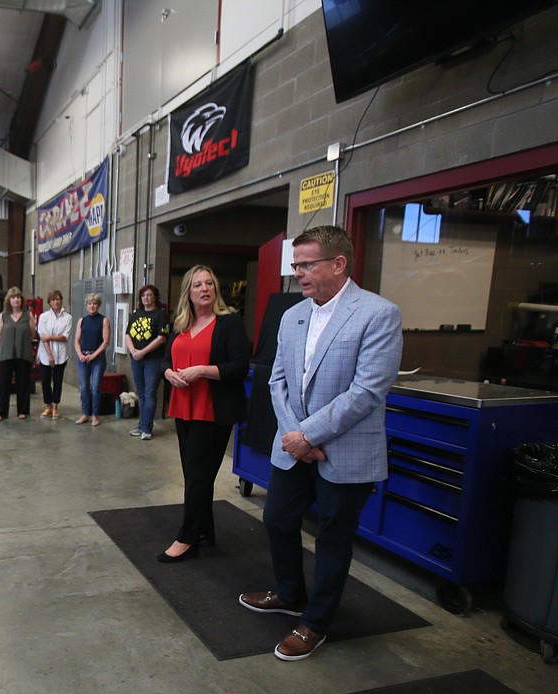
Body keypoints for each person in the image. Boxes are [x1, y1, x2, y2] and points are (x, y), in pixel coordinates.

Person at [240, 225, 402, 662]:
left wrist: (310, 435)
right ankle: (291, 593)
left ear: (338, 263)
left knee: (332, 537)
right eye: (296, 265)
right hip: (295, 447)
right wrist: (298, 439)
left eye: (307, 264)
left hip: (345, 450)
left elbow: (367, 392)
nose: (299, 274)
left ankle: (316, 621)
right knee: (276, 519)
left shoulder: (378, 314)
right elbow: (276, 380)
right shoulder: (293, 315)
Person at [159, 265, 250, 563]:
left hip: (213, 409)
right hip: (184, 407)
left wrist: (203, 371)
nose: (204, 289)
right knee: (195, 474)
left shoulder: (229, 323)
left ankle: (187, 538)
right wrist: (169, 373)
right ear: (188, 291)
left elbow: (240, 366)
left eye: (209, 283)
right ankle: (204, 530)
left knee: (198, 475)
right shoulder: (181, 324)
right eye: (198, 285)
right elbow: (164, 360)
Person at [127, 284, 171, 440]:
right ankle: (141, 425)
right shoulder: (136, 314)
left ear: (155, 297)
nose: (146, 298)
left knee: (150, 393)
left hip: (153, 360)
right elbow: (127, 335)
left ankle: (147, 428)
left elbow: (161, 338)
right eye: (143, 295)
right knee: (141, 394)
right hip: (136, 360)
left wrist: (142, 352)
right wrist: (133, 352)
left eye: (149, 295)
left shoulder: (160, 315)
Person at [0, 286, 37, 421]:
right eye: (13, 297)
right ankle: (1, 412)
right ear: (9, 300)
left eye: (18, 297)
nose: (16, 300)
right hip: (6, 353)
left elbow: (33, 333)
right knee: (3, 384)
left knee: (23, 383)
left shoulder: (28, 315)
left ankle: (23, 411)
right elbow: (0, 334)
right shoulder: (3, 316)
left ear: (21, 300)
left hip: (23, 353)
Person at [73, 293, 111, 426]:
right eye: (90, 303)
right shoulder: (82, 321)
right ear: (86, 305)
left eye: (94, 303)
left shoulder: (104, 320)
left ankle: (95, 415)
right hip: (83, 358)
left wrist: (93, 355)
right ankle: (85, 414)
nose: (92, 306)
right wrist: (80, 354)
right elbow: (77, 340)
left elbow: (106, 341)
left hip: (97, 359)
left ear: (98, 305)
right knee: (84, 387)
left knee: (95, 387)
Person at [36, 289, 72, 419]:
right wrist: (50, 356)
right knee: (45, 381)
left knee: (58, 381)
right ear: (49, 302)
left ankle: (56, 407)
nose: (56, 302)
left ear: (61, 301)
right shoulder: (44, 317)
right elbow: (43, 338)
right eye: (53, 300)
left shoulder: (68, 318)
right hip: (46, 355)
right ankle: (48, 406)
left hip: (61, 355)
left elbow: (65, 337)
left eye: (58, 299)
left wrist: (50, 337)